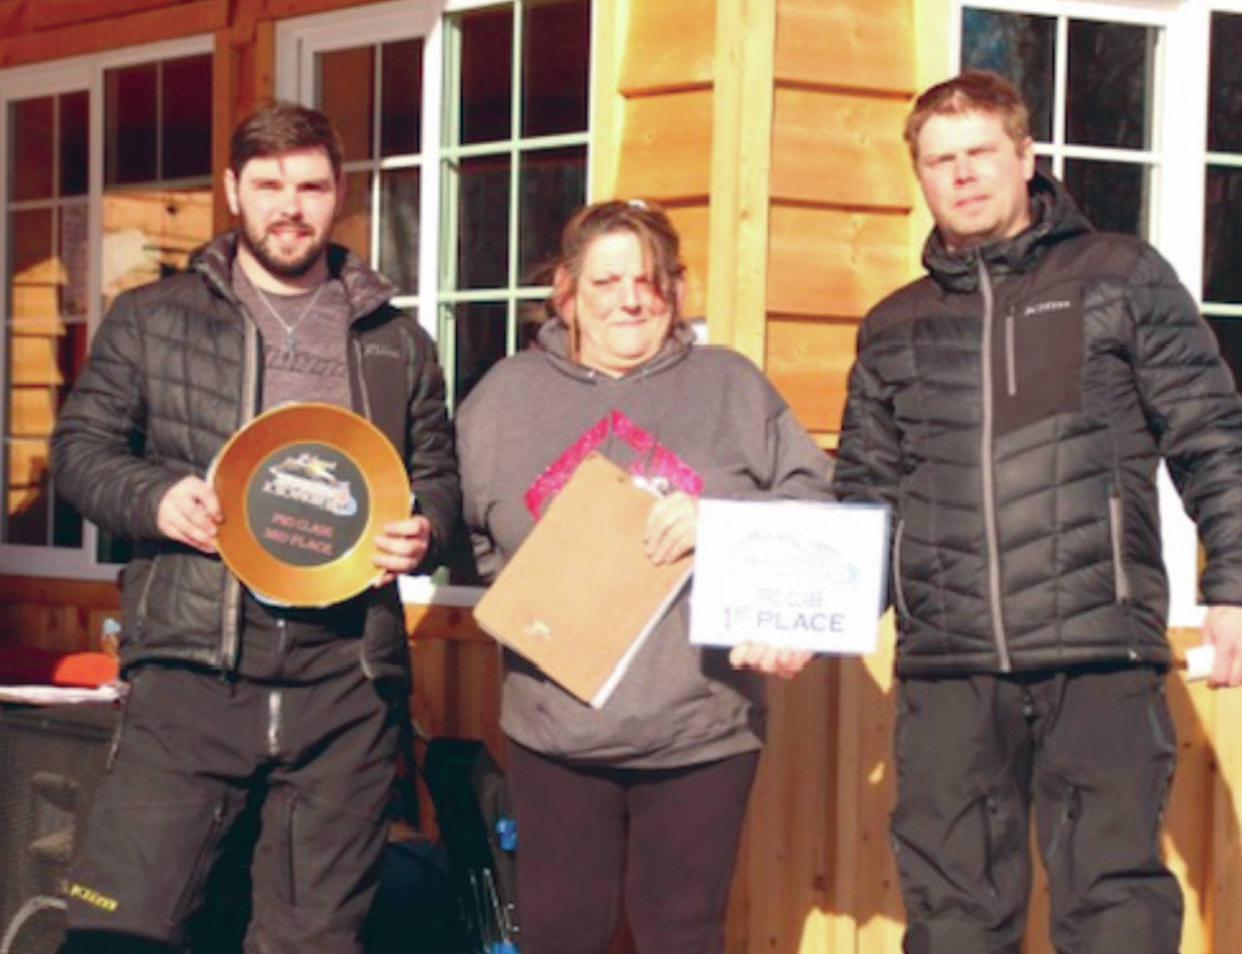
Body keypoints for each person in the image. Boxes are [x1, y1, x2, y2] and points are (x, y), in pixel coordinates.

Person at [833, 69, 1242, 954]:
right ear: (922, 175)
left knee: (1113, 905)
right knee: (951, 916)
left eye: (981, 151)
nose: (963, 174)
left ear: (1026, 158)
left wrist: (1235, 584)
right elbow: (866, 495)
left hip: (1099, 650)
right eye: (940, 160)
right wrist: (804, 617)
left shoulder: (1119, 276)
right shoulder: (893, 326)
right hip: (949, 664)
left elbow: (1212, 435)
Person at [50, 101, 460, 954]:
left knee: (311, 940)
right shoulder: (153, 317)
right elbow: (80, 452)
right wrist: (154, 496)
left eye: (310, 186)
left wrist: (424, 531)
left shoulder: (397, 345)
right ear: (233, 190)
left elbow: (437, 482)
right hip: (194, 672)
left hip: (345, 680)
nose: (290, 205)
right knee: (120, 930)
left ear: (338, 194)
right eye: (269, 184)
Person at [455, 199, 834, 954]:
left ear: (675, 290)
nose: (629, 298)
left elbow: (815, 504)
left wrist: (723, 520)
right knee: (561, 938)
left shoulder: (730, 385)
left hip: (700, 727)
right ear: (565, 292)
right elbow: (469, 536)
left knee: (682, 935)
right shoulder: (504, 394)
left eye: (648, 281)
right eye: (606, 281)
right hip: (555, 726)